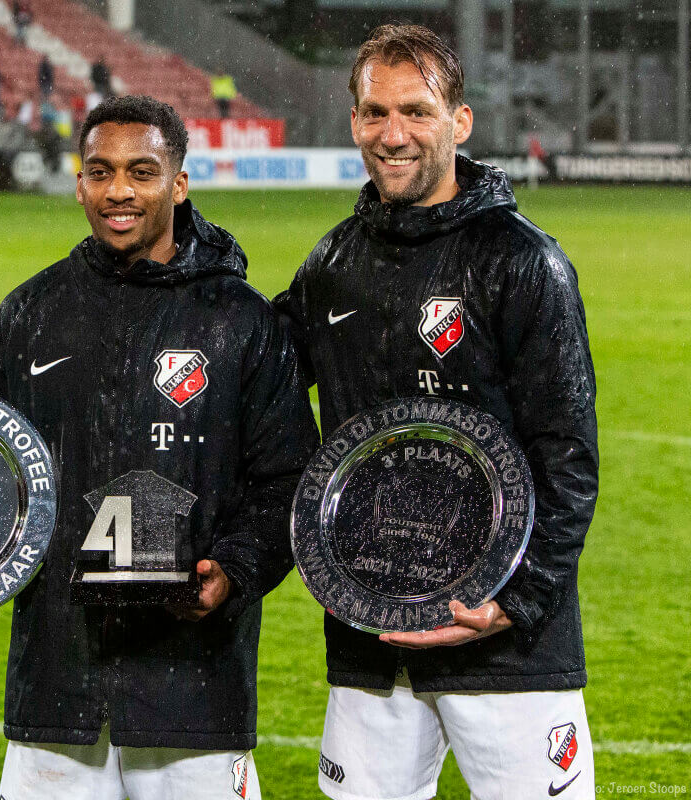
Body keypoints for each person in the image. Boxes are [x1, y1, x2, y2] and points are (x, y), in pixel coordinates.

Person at [0, 94, 316, 798]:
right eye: (99, 173)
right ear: (79, 183)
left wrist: (232, 569)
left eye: (142, 171)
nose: (119, 191)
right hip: (56, 684)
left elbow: (288, 479)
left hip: (193, 688)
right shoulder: (30, 314)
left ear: (180, 182)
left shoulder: (242, 320)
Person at [274, 24, 597, 800]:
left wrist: (512, 603)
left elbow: (568, 455)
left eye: (417, 111)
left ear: (460, 121)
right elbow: (253, 374)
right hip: (373, 634)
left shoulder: (522, 261)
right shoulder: (333, 265)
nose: (394, 134)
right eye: (376, 112)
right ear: (354, 121)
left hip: (507, 645)